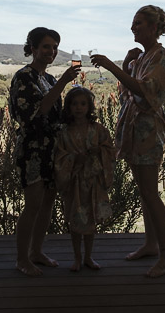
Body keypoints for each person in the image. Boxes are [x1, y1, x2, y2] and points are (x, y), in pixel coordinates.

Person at [90, 5, 165, 278]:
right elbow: (129, 90)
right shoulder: (144, 58)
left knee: (151, 193)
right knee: (145, 192)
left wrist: (111, 66)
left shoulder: (162, 57)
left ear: (153, 27)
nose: (133, 28)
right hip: (135, 130)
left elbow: (145, 92)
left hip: (148, 131)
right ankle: (151, 244)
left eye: (138, 23)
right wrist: (128, 63)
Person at [10, 27, 80, 276]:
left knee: (47, 203)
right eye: (46, 47)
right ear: (33, 48)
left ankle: (36, 252)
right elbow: (36, 112)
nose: (51, 51)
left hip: (52, 148)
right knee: (33, 204)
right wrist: (63, 82)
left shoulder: (48, 79)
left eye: (54, 47)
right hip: (32, 148)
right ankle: (21, 258)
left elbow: (55, 115)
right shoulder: (23, 77)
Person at [54, 87, 117, 272]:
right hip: (74, 183)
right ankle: (77, 257)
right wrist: (74, 159)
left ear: (89, 106)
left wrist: (100, 151)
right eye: (74, 104)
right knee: (75, 221)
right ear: (68, 107)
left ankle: (88, 257)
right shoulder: (64, 132)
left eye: (83, 104)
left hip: (93, 184)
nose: (79, 108)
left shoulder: (98, 130)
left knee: (90, 221)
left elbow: (110, 150)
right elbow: (59, 157)